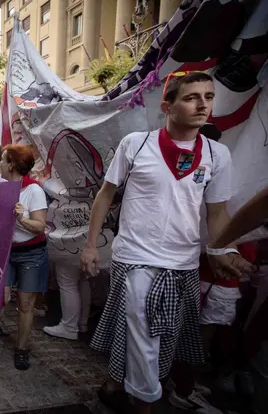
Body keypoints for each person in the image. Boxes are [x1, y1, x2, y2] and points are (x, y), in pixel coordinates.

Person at [81, 72, 252, 414]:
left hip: (184, 264)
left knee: (159, 339)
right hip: (136, 260)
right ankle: (144, 403)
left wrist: (224, 249)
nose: (202, 104)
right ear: (167, 106)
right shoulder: (136, 143)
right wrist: (89, 246)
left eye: (208, 96)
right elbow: (105, 194)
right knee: (145, 336)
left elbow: (216, 215)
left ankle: (115, 385)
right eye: (191, 98)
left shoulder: (218, 155)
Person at [0, 144, 48, 371]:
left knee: (26, 304)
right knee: (1, 297)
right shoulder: (0, 186)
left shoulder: (34, 191)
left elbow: (39, 226)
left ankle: (22, 348)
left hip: (31, 254)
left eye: (3, 159)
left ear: (12, 165)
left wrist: (21, 218)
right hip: (7, 251)